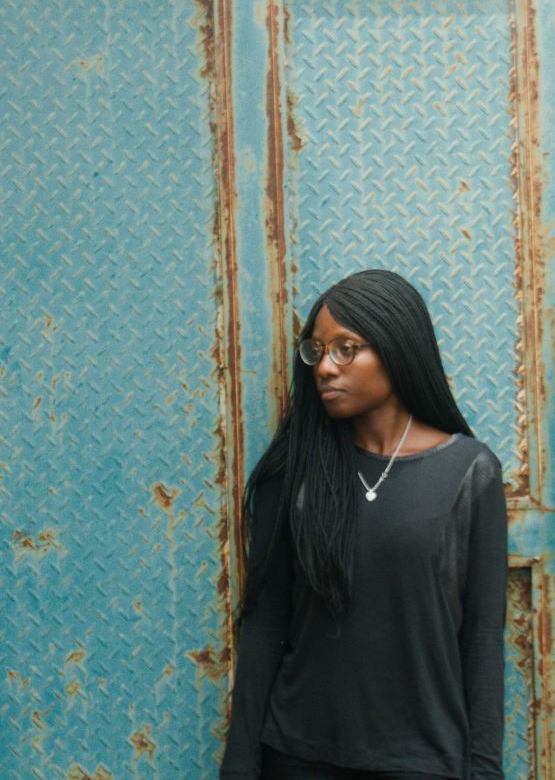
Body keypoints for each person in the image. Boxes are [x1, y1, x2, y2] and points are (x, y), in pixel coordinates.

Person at [219, 269, 508, 780]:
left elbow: (483, 635)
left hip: (422, 760)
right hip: (299, 756)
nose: (326, 367)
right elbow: (265, 626)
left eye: (347, 348)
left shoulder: (469, 472)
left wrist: (484, 771)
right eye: (317, 350)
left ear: (398, 347)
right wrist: (240, 767)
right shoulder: (293, 473)